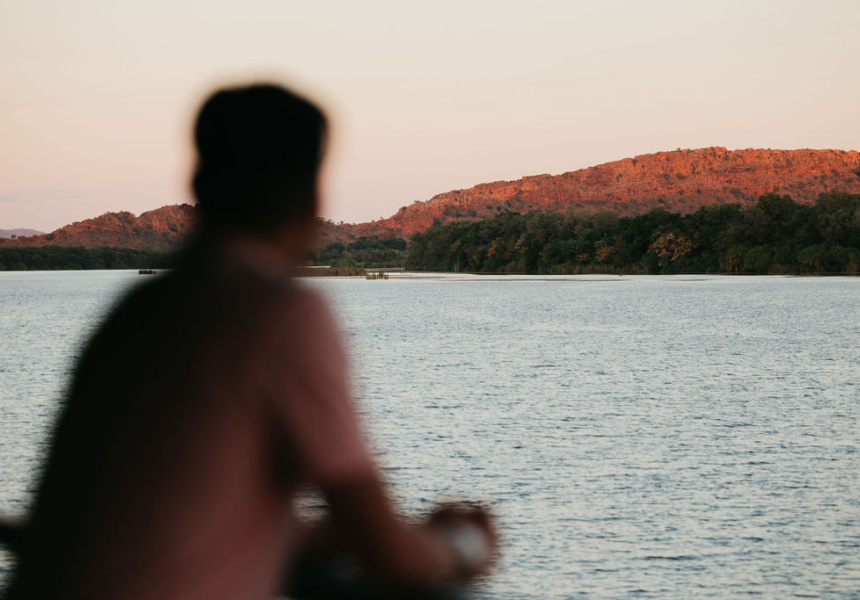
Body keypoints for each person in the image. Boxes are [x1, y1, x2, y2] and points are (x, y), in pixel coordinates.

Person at [4, 83, 496, 600]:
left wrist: (354, 535)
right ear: (311, 197)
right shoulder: (279, 312)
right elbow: (389, 558)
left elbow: (185, 518)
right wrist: (464, 545)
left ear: (198, 184)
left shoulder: (138, 310)